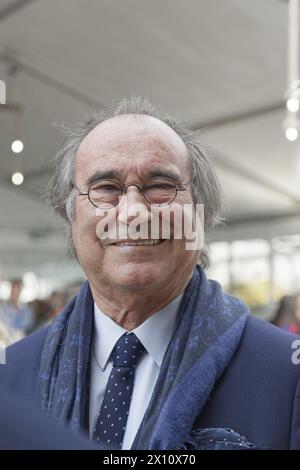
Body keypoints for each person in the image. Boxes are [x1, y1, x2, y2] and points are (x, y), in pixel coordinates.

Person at [1, 96, 300, 450]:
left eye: (160, 186)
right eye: (106, 188)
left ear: (200, 215)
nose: (133, 213)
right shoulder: (12, 373)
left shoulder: (286, 373)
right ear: (71, 217)